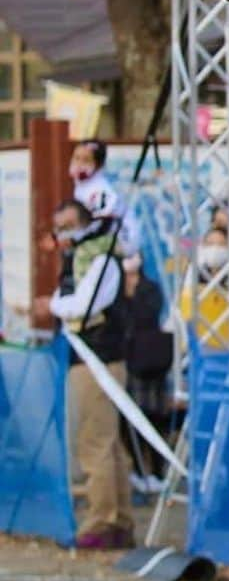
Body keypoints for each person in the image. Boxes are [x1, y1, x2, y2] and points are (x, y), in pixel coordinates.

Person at [36, 199, 135, 549]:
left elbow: (84, 304)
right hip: (86, 357)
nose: (62, 234)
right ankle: (120, 519)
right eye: (58, 226)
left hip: (99, 357)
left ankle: (102, 521)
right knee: (108, 442)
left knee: (94, 442)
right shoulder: (77, 260)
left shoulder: (101, 257)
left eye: (67, 225)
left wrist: (52, 306)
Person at [120, 254, 174, 495]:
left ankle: (156, 471)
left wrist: (133, 295)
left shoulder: (150, 288)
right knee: (127, 420)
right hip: (125, 359)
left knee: (155, 417)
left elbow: (148, 315)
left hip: (149, 359)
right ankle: (138, 471)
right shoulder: (114, 287)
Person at [69, 139, 141, 258]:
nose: (79, 163)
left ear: (99, 165)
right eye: (76, 158)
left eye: (86, 160)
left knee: (82, 253)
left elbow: (103, 223)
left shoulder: (100, 188)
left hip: (121, 239)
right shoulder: (83, 185)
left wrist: (74, 241)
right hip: (106, 238)